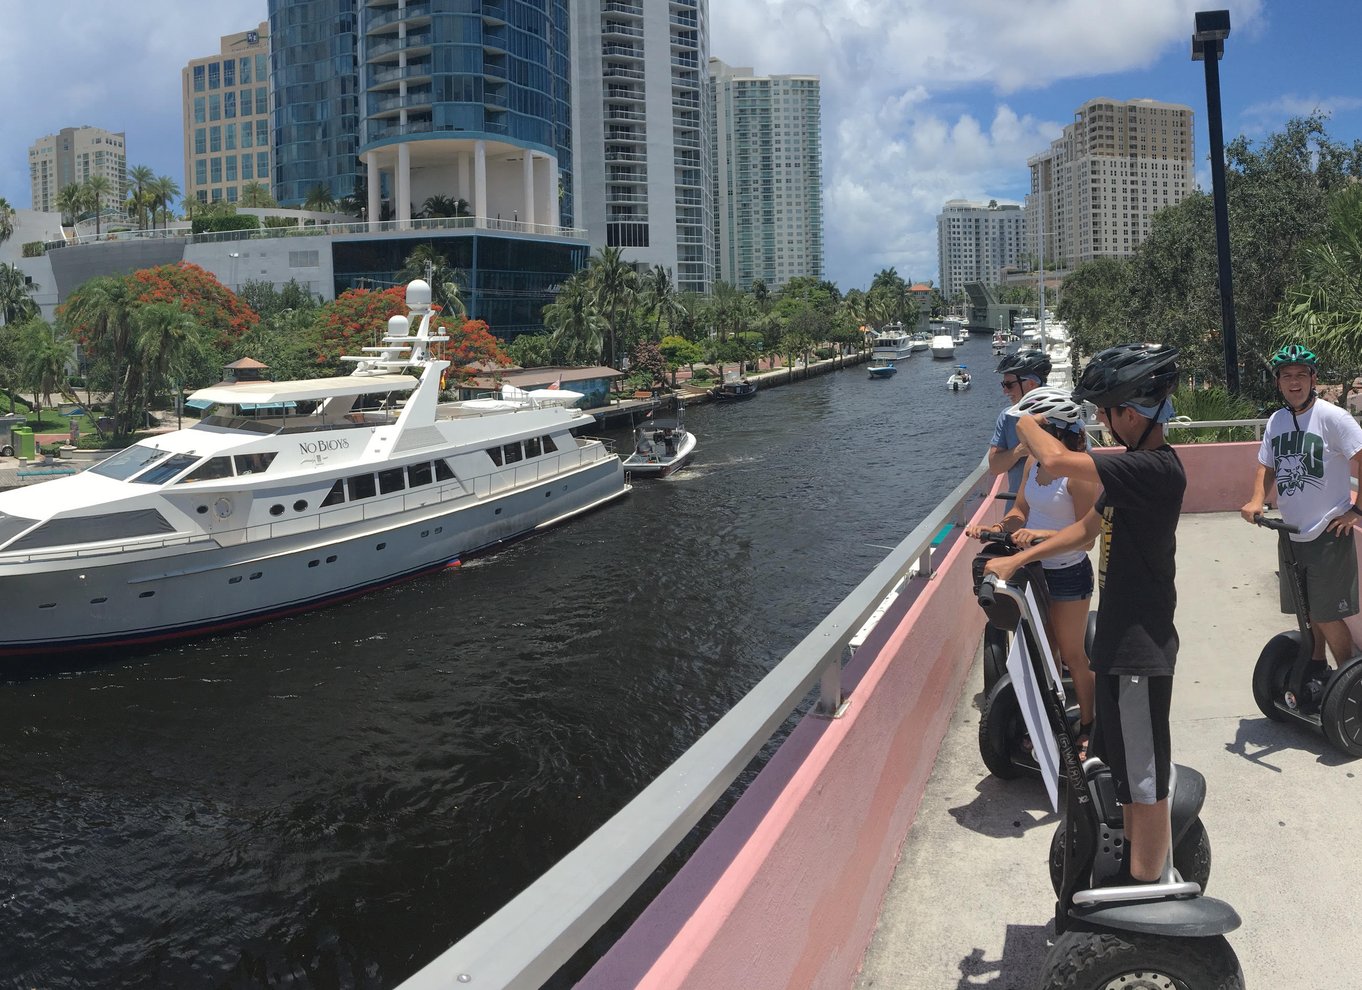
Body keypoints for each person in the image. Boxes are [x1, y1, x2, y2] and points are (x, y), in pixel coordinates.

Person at [984, 343, 1184, 885]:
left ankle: (1146, 891)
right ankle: (1133, 870)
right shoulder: (1128, 473)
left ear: (1133, 413)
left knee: (1145, 779)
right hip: (1119, 639)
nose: (1101, 420)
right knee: (1119, 764)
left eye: (1107, 410)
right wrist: (1019, 557)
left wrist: (1023, 417)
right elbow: (1085, 531)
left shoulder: (1153, 469)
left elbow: (1049, 459)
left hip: (1143, 646)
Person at [967, 385, 1098, 755]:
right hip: (1034, 573)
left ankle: (1088, 725)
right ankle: (1049, 722)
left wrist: (1041, 535)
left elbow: (1085, 538)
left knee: (1073, 654)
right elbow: (1020, 511)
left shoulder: (1080, 473)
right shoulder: (1033, 463)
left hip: (1067, 573)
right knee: (1046, 653)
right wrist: (998, 528)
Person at [1240, 344, 1362, 672]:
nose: (1294, 382)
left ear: (1313, 379)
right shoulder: (1278, 420)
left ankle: (1348, 683)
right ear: (1278, 382)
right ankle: (1316, 667)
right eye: (1286, 376)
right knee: (1306, 610)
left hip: (1326, 533)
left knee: (1325, 612)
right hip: (1291, 532)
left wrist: (1357, 511)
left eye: (1301, 375)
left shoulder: (1333, 417)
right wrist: (1255, 500)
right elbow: (1265, 465)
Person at [988, 350, 1052, 494]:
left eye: (1009, 384)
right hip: (1018, 507)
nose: (1005, 391)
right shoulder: (1007, 417)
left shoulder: (1064, 413)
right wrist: (1019, 451)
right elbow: (994, 467)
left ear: (1030, 384)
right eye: (1003, 384)